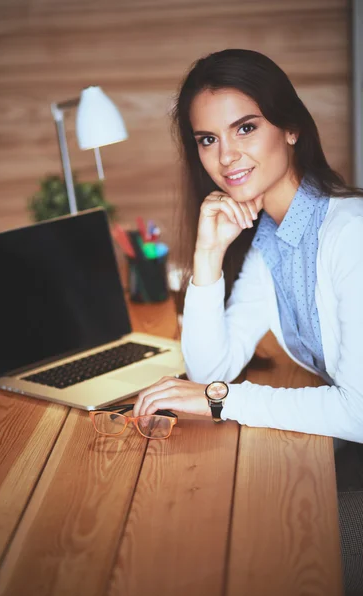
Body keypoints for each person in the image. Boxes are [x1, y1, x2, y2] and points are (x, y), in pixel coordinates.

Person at [133, 48, 363, 444]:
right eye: (208, 139)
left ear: (291, 128)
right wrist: (208, 254)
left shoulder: (350, 234)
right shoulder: (271, 239)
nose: (226, 156)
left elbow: (358, 413)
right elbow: (211, 371)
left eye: (245, 128)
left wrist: (220, 401)